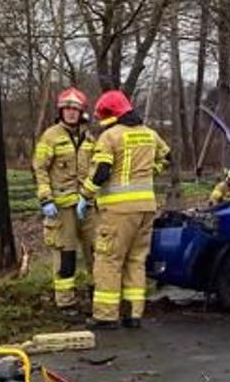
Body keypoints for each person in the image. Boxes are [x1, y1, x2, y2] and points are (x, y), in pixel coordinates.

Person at [82, 90, 170, 329]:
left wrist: (85, 195)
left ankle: (105, 316)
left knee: (108, 259)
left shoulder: (110, 137)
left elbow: (101, 172)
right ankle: (133, 314)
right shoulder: (150, 135)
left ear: (110, 115)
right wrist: (151, 172)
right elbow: (167, 157)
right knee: (136, 260)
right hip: (146, 207)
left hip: (118, 210)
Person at [33, 88, 96, 310]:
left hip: (87, 205)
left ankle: (96, 294)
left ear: (82, 112)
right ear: (61, 111)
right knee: (65, 254)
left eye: (75, 109)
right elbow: (39, 168)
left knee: (96, 251)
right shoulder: (51, 136)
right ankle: (65, 301)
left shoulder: (89, 137)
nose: (71, 113)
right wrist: (45, 199)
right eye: (67, 109)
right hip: (61, 207)